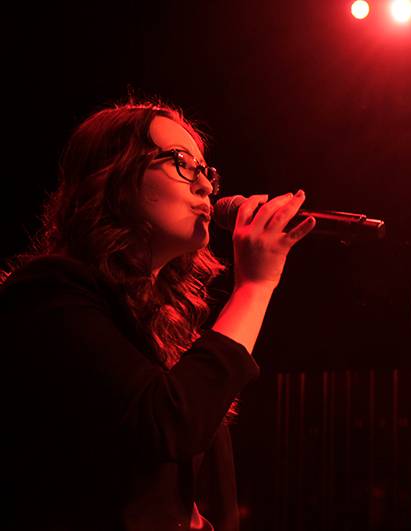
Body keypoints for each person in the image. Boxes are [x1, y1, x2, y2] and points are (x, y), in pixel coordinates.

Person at [1, 100, 316, 530]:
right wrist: (254, 287)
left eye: (207, 171)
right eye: (184, 163)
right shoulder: (48, 295)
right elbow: (168, 422)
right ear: (116, 175)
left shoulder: (160, 324)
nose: (206, 186)